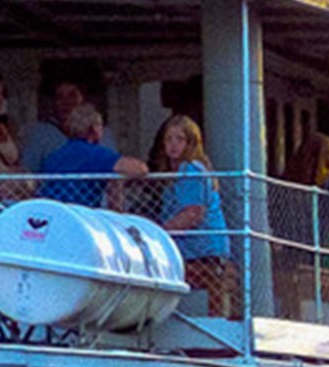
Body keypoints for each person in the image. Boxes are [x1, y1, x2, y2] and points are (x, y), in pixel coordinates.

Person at [148, 112, 231, 259]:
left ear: (190, 143)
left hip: (202, 249)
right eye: (169, 139)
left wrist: (160, 233)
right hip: (187, 248)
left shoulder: (191, 169)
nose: (173, 144)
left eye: (180, 139)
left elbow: (193, 213)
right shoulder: (173, 173)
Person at [39, 99, 144, 206]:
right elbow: (139, 169)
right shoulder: (97, 154)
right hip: (81, 212)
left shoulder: (53, 156)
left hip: (52, 210)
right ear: (94, 128)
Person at [17, 77, 87, 173]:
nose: (66, 102)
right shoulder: (40, 134)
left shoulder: (101, 132)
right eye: (59, 97)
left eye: (72, 95)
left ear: (83, 99)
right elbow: (27, 171)